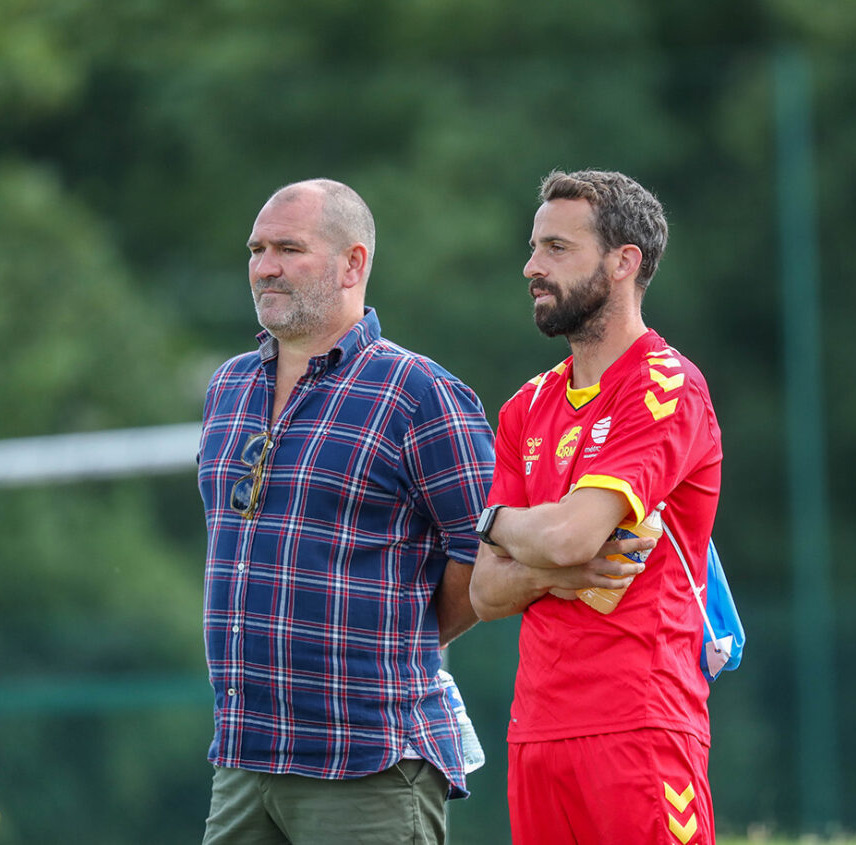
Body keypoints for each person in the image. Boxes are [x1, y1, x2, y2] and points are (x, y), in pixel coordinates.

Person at [196, 179, 494, 844]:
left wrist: (404, 634)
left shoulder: (419, 392)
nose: (265, 265)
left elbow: (488, 553)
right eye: (257, 248)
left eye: (289, 248)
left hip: (368, 763)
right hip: (244, 760)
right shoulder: (228, 386)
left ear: (353, 263)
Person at [469, 170, 723, 845]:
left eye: (557, 247)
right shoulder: (525, 407)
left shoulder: (665, 386)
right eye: (533, 247)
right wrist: (547, 565)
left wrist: (496, 523)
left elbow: (573, 535)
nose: (531, 266)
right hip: (537, 733)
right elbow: (486, 588)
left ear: (623, 262)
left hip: (640, 724)